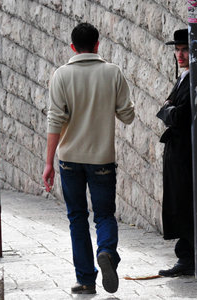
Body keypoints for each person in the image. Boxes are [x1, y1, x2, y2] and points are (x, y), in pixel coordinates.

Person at [42, 22, 135, 294]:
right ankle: (106, 251)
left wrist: (49, 163)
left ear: (73, 47)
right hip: (102, 158)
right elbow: (127, 116)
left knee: (77, 217)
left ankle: (85, 279)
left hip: (69, 158)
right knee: (104, 214)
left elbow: (55, 120)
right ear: (97, 45)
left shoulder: (61, 75)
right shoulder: (112, 73)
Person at [156, 28, 195, 277]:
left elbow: (178, 114)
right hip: (175, 151)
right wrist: (168, 109)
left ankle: (188, 256)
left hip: (184, 152)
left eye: (185, 50)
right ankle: (185, 255)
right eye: (177, 50)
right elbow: (169, 109)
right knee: (176, 200)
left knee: (183, 201)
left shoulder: (194, 79)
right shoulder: (183, 77)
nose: (180, 55)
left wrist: (167, 110)